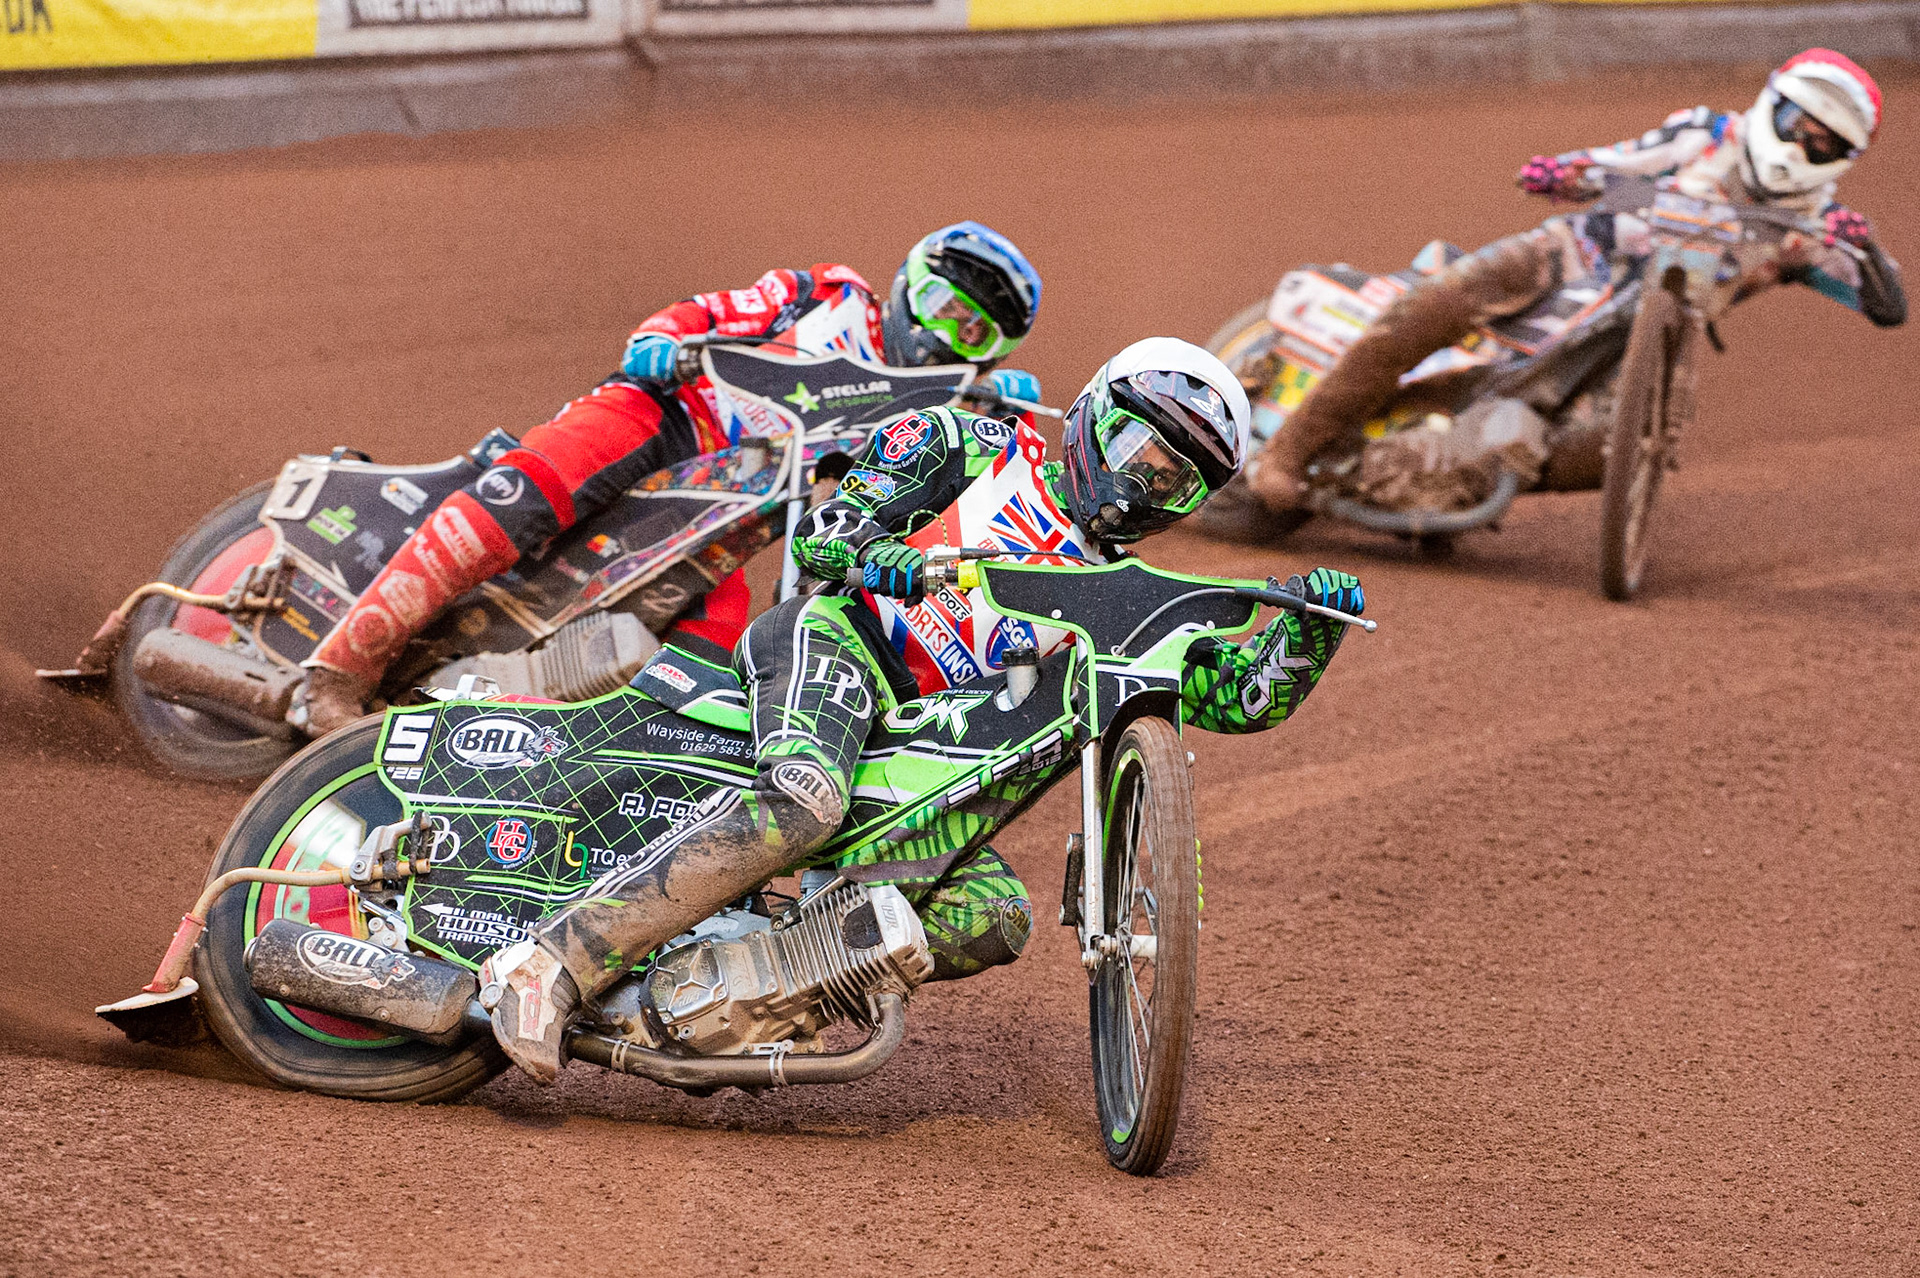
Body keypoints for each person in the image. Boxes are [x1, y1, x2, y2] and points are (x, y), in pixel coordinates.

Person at [478, 336, 1368, 1082]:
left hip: (926, 756)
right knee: (803, 797)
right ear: (1094, 413)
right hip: (845, 644)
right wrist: (877, 553)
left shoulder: (1126, 598)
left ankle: (719, 997)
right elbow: (831, 528)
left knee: (994, 914)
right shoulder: (980, 447)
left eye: (1175, 481)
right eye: (1141, 449)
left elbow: (1233, 698)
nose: (1144, 484)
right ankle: (550, 963)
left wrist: (1312, 630)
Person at [298, 222, 1046, 734]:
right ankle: (338, 670)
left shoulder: (936, 410)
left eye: (972, 332)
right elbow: (716, 309)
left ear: (992, 355)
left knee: (710, 651)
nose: (947, 334)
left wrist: (998, 418)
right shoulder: (832, 295)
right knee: (530, 491)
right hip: (673, 419)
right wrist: (663, 341)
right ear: (909, 283)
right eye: (945, 307)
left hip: (741, 515)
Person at [1220, 48, 1906, 527]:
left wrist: (1860, 247)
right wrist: (1567, 174)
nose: (1801, 149)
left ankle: (1419, 483)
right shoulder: (1704, 135)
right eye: (1796, 128)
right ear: (1771, 107)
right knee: (1444, 300)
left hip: (1635, 342)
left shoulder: (1812, 228)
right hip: (1568, 258)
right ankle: (1288, 453)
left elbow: (1886, 305)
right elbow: (1616, 165)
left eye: (1823, 145)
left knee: (1607, 451)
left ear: (1841, 160)